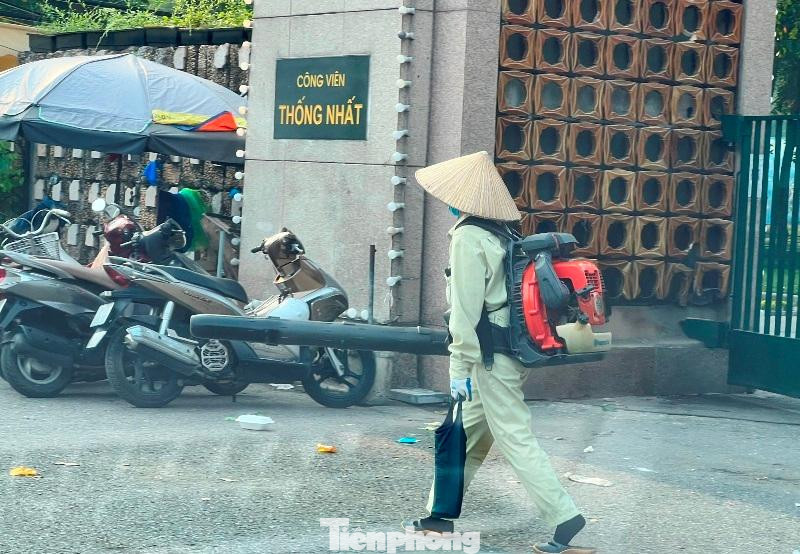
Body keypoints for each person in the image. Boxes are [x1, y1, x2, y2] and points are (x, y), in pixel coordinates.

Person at [402, 152, 596, 554]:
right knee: (469, 433)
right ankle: (439, 516)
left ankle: (565, 517)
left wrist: (458, 366)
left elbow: (465, 312)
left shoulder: (468, 236)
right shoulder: (501, 231)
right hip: (511, 352)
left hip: (490, 359)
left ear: (462, 198)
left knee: (514, 437)